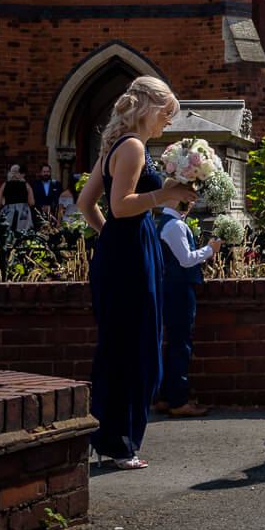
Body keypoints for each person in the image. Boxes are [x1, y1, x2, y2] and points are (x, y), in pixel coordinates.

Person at [77, 76, 197, 469]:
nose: (168, 123)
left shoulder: (116, 145)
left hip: (123, 250)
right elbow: (120, 205)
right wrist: (164, 195)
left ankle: (112, 439)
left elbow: (85, 203)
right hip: (129, 255)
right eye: (166, 114)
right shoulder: (131, 147)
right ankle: (119, 444)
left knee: (122, 345)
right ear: (149, 109)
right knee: (135, 347)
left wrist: (111, 238)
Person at [152, 203, 221, 419]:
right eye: (188, 197)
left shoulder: (168, 222)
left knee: (174, 343)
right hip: (179, 289)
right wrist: (210, 250)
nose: (192, 202)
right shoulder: (174, 225)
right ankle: (178, 401)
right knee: (181, 344)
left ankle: (167, 397)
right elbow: (186, 260)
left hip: (172, 288)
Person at [0, 164, 34, 237]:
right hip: (23, 213)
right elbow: (31, 203)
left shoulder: (5, 185)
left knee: (6, 234)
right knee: (23, 235)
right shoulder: (26, 185)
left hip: (8, 212)